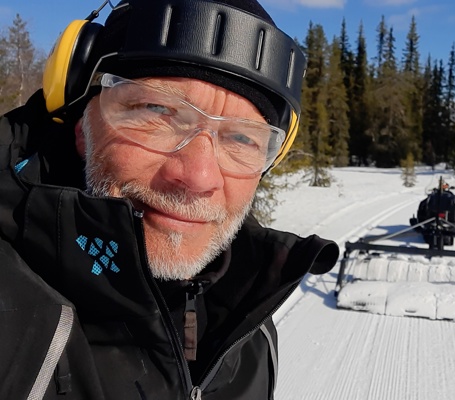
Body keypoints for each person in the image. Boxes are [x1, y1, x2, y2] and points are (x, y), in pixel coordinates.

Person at [0, 0, 339, 399]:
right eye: (157, 110)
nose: (197, 177)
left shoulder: (249, 330)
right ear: (81, 123)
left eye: (242, 138)